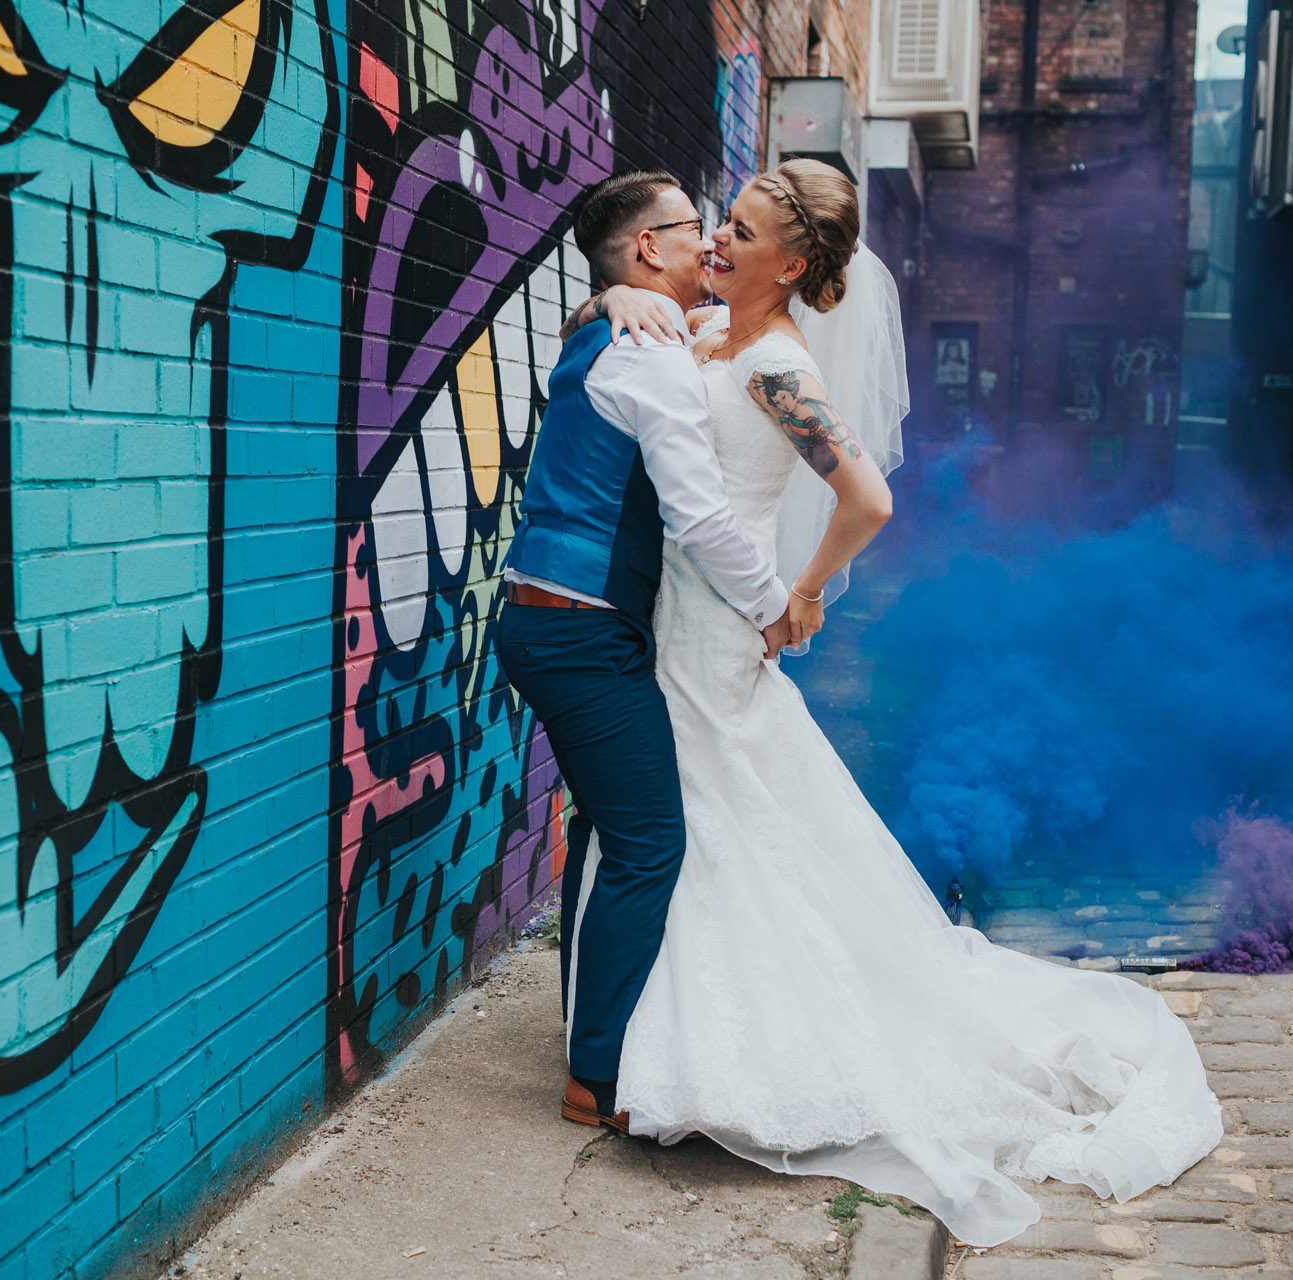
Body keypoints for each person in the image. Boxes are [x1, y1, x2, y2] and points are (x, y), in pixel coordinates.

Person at [557, 159, 1224, 1248]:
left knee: (707, 826)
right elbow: (629, 332)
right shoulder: (707, 335)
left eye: (744, 231)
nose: (719, 241)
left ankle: (700, 1056)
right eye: (719, 222)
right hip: (667, 622)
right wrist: (617, 292)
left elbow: (867, 493)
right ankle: (632, 1041)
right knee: (693, 826)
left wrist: (804, 589)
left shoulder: (774, 364)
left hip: (715, 635)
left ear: (797, 264)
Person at [495, 170, 794, 1137]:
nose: (710, 241)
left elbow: (704, 327)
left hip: (555, 625)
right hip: (582, 635)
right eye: (692, 228)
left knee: (602, 831)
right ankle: (598, 1075)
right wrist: (774, 606)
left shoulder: (614, 328)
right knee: (649, 840)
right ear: (646, 250)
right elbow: (698, 512)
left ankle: (590, 1030)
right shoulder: (652, 352)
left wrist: (614, 290)